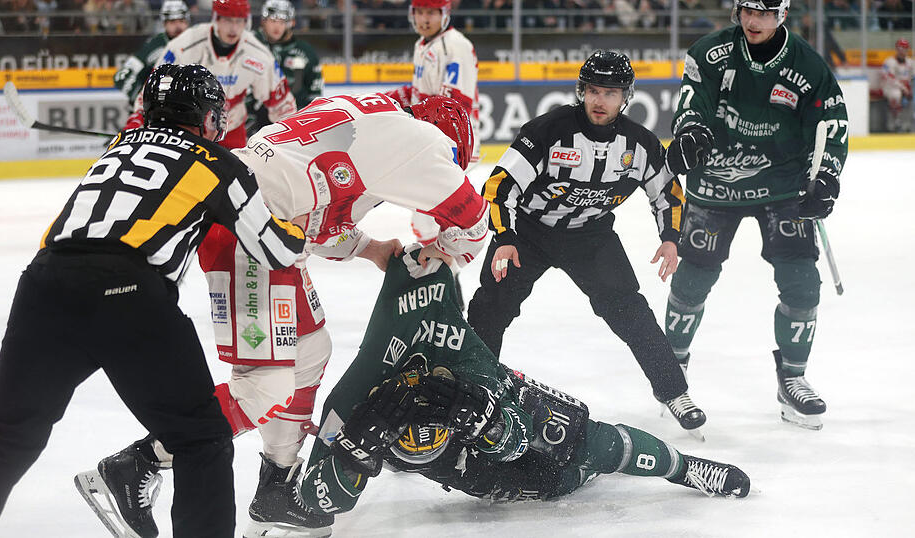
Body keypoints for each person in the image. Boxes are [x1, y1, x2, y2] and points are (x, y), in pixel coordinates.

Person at [76, 94, 489, 538]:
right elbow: (474, 219)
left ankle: (277, 488)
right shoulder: (424, 142)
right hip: (249, 234)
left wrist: (368, 248)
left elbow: (314, 216)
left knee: (312, 351)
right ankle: (135, 463)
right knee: (263, 387)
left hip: (257, 229)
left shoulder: (363, 116)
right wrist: (442, 254)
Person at [0, 63, 307, 538]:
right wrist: (302, 222)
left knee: (6, 434)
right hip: (127, 294)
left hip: (43, 282)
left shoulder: (118, 146)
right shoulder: (219, 164)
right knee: (201, 438)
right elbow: (275, 249)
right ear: (207, 118)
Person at [296, 247, 749, 522]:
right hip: (468, 469)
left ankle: (684, 468)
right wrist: (353, 457)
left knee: (582, 439)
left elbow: (513, 436)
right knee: (554, 481)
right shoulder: (365, 401)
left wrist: (490, 422)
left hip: (485, 410)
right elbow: (318, 501)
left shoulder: (467, 365)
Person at [466, 50, 705, 436]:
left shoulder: (639, 144)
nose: (600, 100)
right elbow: (499, 185)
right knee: (491, 306)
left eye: (610, 93)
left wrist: (670, 238)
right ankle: (475, 390)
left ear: (626, 96)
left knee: (630, 311)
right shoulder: (547, 130)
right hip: (528, 233)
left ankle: (674, 392)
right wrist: (505, 237)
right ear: (581, 90)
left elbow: (668, 194)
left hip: (591, 237)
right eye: (593, 90)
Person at [663, 0, 848, 430]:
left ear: (782, 14)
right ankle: (670, 372)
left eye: (763, 13)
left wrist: (826, 178)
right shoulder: (710, 53)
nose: (752, 21)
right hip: (717, 180)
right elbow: (692, 102)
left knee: (802, 283)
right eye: (746, 10)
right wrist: (690, 131)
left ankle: (794, 379)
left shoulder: (809, 65)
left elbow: (832, 125)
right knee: (693, 279)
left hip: (784, 185)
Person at [124, 0, 297, 149]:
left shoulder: (259, 54)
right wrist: (137, 121)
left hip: (232, 131)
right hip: (188, 130)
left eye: (239, 21)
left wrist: (289, 139)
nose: (233, 28)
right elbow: (154, 87)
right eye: (228, 20)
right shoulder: (185, 44)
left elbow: (283, 104)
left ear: (247, 22)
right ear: (216, 19)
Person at [384, 0, 481, 256]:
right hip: (431, 141)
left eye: (431, 13)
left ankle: (447, 270)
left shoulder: (455, 46)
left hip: (455, 143)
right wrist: (390, 100)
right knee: (425, 217)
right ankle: (444, 270)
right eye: (420, 12)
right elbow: (420, 94)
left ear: (445, 15)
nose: (425, 19)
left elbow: (454, 106)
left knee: (429, 215)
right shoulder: (423, 45)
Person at [113, 0, 190, 110]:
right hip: (156, 113)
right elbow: (121, 76)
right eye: (172, 21)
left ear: (188, 22)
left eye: (181, 21)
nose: (178, 26)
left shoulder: (198, 43)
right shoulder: (155, 45)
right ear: (164, 23)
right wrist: (141, 99)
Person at [252, 0, 323, 116]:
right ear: (263, 21)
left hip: (295, 117)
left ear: (291, 22)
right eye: (273, 21)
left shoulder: (304, 51)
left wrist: (308, 115)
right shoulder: (251, 45)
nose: (277, 26)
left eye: (282, 21)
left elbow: (315, 92)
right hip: (257, 117)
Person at [880, 38, 914, 133]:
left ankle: (907, 125)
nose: (902, 50)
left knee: (911, 97)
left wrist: (909, 88)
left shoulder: (911, 62)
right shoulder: (889, 62)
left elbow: (913, 77)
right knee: (896, 95)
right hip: (890, 88)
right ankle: (895, 123)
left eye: (904, 48)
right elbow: (889, 79)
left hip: (906, 88)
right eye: (900, 47)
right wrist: (903, 88)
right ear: (896, 48)